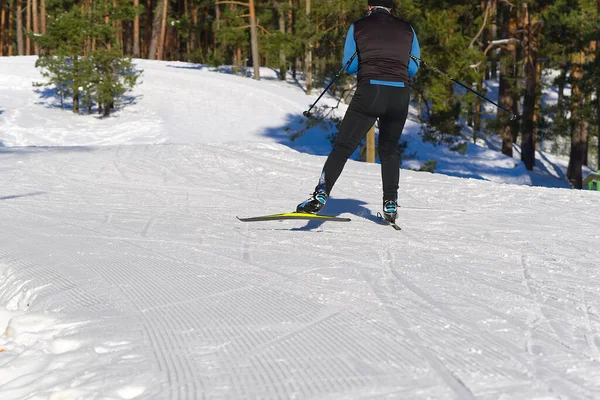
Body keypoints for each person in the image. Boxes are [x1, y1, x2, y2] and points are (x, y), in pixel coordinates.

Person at [296, 0, 420, 223]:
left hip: (370, 92)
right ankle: (390, 203)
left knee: (343, 147)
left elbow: (349, 66)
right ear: (391, 8)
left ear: (369, 6)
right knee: (390, 150)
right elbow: (412, 67)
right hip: (399, 94)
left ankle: (321, 194)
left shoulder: (358, 27)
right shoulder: (407, 29)